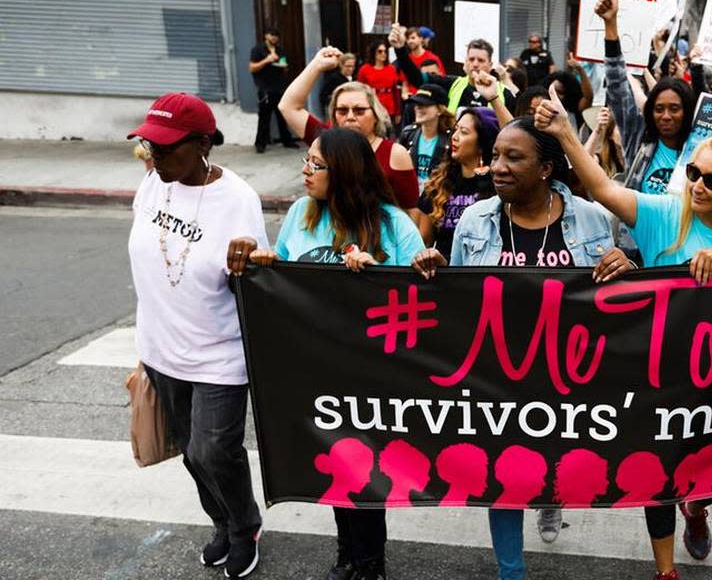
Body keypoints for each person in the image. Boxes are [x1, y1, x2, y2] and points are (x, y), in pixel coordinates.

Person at [535, 86, 712, 580]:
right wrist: (564, 131)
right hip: (660, 373)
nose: (697, 186)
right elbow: (603, 188)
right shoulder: (667, 214)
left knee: (707, 478)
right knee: (660, 473)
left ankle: (698, 506)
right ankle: (665, 570)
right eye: (693, 173)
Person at [410, 115, 635, 580]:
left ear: (547, 169)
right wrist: (437, 268)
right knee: (503, 474)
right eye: (496, 156)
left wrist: (625, 264)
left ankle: (550, 502)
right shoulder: (475, 219)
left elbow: (615, 297)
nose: (498, 167)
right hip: (499, 377)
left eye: (514, 157)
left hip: (567, 376)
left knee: (555, 464)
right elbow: (459, 299)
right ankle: (510, 571)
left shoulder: (591, 219)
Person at [227, 126, 424, 580]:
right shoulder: (301, 212)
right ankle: (346, 555)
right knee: (334, 464)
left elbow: (423, 296)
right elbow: (290, 273)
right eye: (307, 160)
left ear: (346, 172)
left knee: (366, 470)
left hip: (375, 372)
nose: (305, 170)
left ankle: (370, 561)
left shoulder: (394, 225)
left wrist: (378, 274)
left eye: (316, 164)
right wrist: (269, 265)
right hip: (315, 369)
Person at [126, 92, 267, 579]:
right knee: (190, 453)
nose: (155, 156)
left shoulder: (237, 199)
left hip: (218, 355)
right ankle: (222, 523)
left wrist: (246, 263)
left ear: (203, 143)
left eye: (166, 147)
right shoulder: (152, 185)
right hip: (162, 350)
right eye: (150, 146)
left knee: (213, 450)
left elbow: (258, 283)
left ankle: (246, 525)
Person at [278, 46, 419, 209]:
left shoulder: (394, 154)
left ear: (375, 114)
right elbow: (288, 106)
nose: (350, 117)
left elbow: (412, 212)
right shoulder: (324, 143)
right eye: (342, 110)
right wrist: (316, 65)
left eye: (359, 110)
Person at [594, 0, 697, 197]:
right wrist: (610, 25)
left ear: (687, 111)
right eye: (659, 108)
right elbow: (617, 85)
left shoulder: (698, 150)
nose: (666, 115)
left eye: (674, 108)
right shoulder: (638, 136)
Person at [412, 106, 497, 259]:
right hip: (443, 274)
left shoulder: (497, 184)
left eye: (464, 132)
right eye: (455, 130)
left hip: (482, 272)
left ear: (482, 143)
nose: (454, 137)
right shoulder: (438, 183)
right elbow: (423, 242)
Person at [390, 23, 515, 126]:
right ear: (465, 62)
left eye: (481, 60)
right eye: (471, 59)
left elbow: (512, 129)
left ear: (490, 64)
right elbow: (417, 78)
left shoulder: (504, 93)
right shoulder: (452, 83)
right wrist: (400, 49)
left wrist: (494, 99)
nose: (475, 64)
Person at [249, 27, 299, 153]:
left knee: (282, 115)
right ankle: (260, 144)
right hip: (265, 88)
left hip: (280, 87)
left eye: (276, 35)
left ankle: (286, 140)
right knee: (264, 117)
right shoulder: (258, 50)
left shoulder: (280, 50)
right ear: (266, 36)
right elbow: (252, 68)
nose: (274, 37)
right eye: (272, 35)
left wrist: (284, 67)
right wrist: (267, 60)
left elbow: (284, 67)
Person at [398, 83, 454, 189]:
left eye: (424, 104)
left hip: (438, 197)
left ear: (440, 109)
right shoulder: (408, 133)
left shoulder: (452, 138)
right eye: (416, 104)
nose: (418, 108)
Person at [357, 39, 402, 126]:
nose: (383, 54)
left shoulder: (391, 69)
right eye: (380, 51)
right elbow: (360, 90)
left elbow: (396, 92)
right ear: (373, 52)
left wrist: (398, 112)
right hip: (372, 105)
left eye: (385, 51)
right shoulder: (364, 69)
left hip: (389, 107)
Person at [319, 52, 357, 119]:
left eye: (352, 66)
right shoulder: (334, 78)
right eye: (348, 66)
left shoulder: (355, 78)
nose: (350, 69)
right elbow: (323, 96)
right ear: (341, 65)